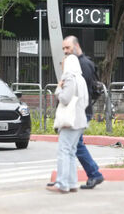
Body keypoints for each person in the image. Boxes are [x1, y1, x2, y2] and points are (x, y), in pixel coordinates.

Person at [48, 35, 104, 189]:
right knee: (73, 147)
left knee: (70, 147)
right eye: (64, 49)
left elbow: (71, 95)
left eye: (68, 48)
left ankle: (89, 174)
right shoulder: (80, 66)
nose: (65, 52)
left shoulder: (79, 67)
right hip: (80, 112)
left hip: (76, 113)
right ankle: (71, 179)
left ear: (76, 45)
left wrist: (60, 88)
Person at [46, 54, 88, 194]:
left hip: (69, 121)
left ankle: (62, 183)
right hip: (80, 120)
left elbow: (64, 99)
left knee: (64, 151)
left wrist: (58, 89)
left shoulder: (69, 77)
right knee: (71, 152)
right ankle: (72, 183)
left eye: (62, 63)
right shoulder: (80, 78)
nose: (62, 65)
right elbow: (86, 101)